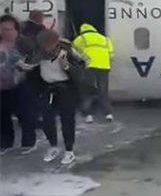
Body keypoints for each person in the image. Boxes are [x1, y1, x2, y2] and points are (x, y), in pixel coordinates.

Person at [20, 29, 85, 164]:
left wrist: (67, 66)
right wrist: (22, 67)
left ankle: (69, 151)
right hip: (47, 88)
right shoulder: (38, 53)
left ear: (56, 43)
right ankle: (53, 146)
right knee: (46, 120)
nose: (47, 49)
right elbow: (29, 66)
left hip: (66, 89)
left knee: (67, 120)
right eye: (44, 45)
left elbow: (82, 65)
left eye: (49, 45)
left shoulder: (67, 51)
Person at [0, 15, 37, 154]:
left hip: (21, 85)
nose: (5, 32)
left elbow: (35, 61)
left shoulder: (24, 44)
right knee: (3, 115)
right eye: (2, 29)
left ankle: (28, 143)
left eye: (8, 29)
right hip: (2, 86)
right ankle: (5, 144)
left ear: (16, 30)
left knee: (25, 115)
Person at [72, 23, 114, 123]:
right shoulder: (105, 39)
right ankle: (108, 114)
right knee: (102, 91)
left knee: (86, 91)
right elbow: (112, 55)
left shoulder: (81, 38)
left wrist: (81, 60)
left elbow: (72, 52)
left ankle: (88, 115)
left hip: (89, 67)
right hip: (104, 67)